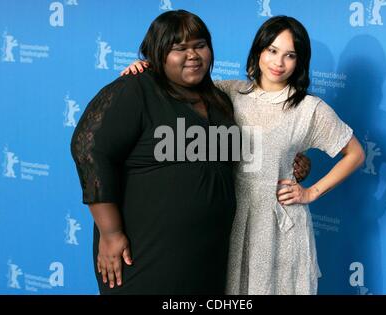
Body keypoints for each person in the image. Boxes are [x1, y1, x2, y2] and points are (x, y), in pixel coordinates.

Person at [71, 10, 309, 295]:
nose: (193, 55)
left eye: (199, 45)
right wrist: (110, 234)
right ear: (157, 53)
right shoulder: (136, 89)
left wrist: (291, 162)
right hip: (145, 257)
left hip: (208, 259)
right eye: (178, 48)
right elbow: (88, 148)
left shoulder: (220, 99)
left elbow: (238, 157)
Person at [123, 15, 365, 295]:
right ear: (258, 51)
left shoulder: (310, 109)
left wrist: (311, 192)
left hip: (279, 227)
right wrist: (148, 69)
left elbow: (356, 154)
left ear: (299, 62)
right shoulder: (228, 92)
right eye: (272, 51)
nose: (278, 63)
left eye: (290, 55)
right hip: (231, 218)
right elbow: (178, 82)